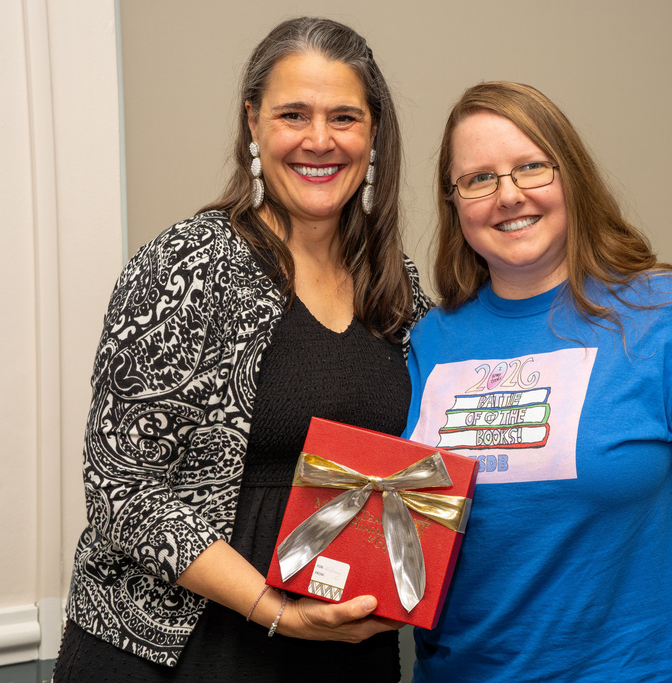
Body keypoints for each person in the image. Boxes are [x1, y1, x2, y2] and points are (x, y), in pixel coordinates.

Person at [53, 17, 430, 682]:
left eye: (344, 116)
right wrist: (275, 609)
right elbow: (123, 491)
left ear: (374, 135)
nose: (320, 139)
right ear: (253, 123)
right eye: (293, 114)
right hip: (187, 653)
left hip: (344, 650)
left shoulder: (392, 280)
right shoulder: (188, 265)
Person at [403, 81, 672, 682]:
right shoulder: (428, 341)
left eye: (531, 168)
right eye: (478, 179)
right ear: (453, 203)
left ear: (571, 176)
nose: (508, 196)